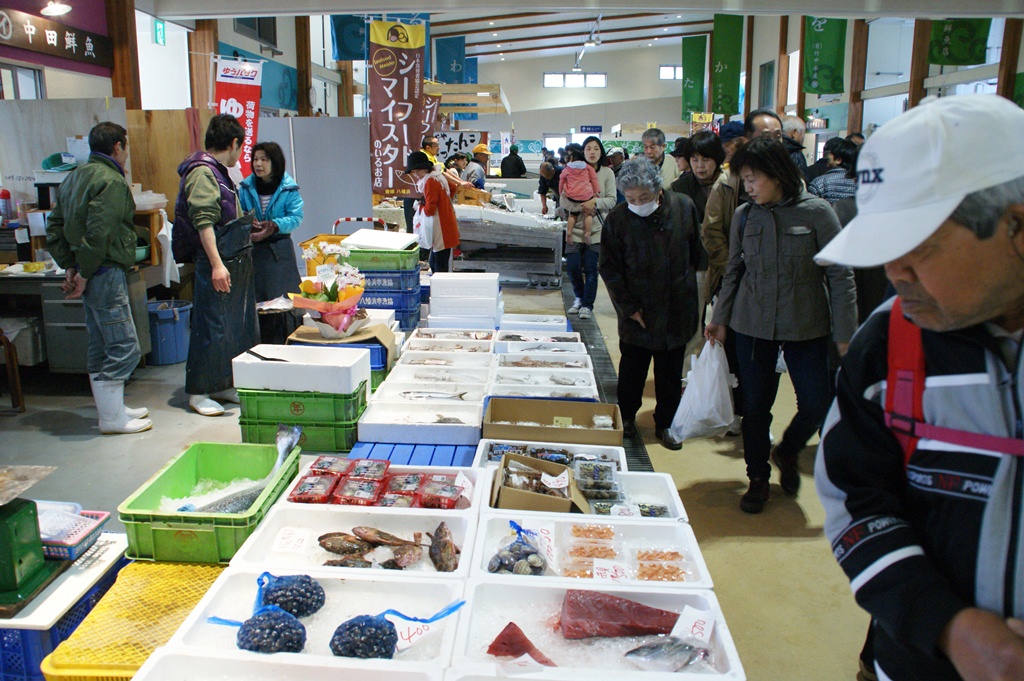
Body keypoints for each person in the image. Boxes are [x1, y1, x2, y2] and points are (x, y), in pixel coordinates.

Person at [815, 94, 1024, 681]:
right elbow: (857, 499)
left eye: (920, 249)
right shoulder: (889, 344)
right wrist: (948, 626)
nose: (894, 273)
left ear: (1017, 226)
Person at [704, 137, 856, 514]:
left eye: (754, 179)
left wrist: (846, 335)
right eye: (745, 181)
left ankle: (787, 451)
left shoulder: (818, 212)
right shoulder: (744, 216)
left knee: (817, 404)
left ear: (777, 175)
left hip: (806, 323)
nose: (749, 187)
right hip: (752, 324)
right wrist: (719, 319)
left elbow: (840, 275)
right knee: (755, 408)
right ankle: (757, 478)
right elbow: (734, 269)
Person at [45, 122, 151, 434]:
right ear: (117, 147)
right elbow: (100, 231)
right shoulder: (111, 181)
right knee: (124, 346)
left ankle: (113, 409)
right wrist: (85, 273)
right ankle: (112, 419)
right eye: (126, 148)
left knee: (101, 344)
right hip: (103, 271)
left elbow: (54, 228)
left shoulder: (73, 177)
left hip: (88, 269)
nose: (126, 155)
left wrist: (71, 267)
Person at [599, 158, 702, 450]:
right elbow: (609, 267)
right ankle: (628, 417)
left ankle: (666, 423)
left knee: (670, 373)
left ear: (658, 191)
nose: (637, 203)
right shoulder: (619, 219)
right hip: (637, 310)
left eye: (643, 198)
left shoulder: (683, 207)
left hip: (676, 307)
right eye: (630, 198)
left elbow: (696, 254)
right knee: (632, 370)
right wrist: (629, 307)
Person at [177, 114, 260, 417]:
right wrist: (216, 264)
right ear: (234, 143)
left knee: (228, 328)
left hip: (230, 259)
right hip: (215, 260)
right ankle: (199, 392)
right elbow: (203, 221)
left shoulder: (218, 172)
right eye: (241, 146)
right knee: (210, 326)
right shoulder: (202, 173)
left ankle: (221, 383)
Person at [238, 142, 304, 304]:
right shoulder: (245, 187)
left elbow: (296, 217)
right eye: (255, 159)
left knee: (283, 300)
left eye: (264, 159)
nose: (258, 164)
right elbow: (238, 212)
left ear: (275, 162)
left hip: (279, 250)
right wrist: (246, 219)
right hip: (253, 249)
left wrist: (274, 226)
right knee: (257, 301)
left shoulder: (288, 188)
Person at [564, 136, 616, 320]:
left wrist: (594, 201)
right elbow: (564, 200)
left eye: (596, 148)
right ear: (583, 152)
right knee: (573, 267)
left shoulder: (607, 174)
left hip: (597, 230)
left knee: (592, 269)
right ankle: (579, 297)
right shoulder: (572, 171)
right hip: (575, 228)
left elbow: (612, 200)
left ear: (601, 152)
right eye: (588, 149)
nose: (592, 152)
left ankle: (587, 304)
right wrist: (581, 206)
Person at [407, 151, 459, 274]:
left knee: (438, 265)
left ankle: (440, 290)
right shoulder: (437, 175)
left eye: (416, 171)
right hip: (447, 221)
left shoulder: (429, 181)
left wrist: (419, 207)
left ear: (423, 168)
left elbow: (430, 210)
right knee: (437, 260)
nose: (415, 175)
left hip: (439, 226)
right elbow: (453, 187)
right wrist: (444, 203)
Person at [559, 147, 600, 254]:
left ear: (571, 158)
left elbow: (561, 181)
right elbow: (594, 179)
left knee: (572, 215)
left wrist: (560, 192)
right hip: (586, 195)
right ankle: (587, 233)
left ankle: (569, 232)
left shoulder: (567, 169)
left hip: (572, 195)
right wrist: (596, 191)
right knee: (588, 214)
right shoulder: (588, 167)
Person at [808, 138, 858, 204]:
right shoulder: (860, 183)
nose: (828, 156)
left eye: (831, 153)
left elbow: (810, 209)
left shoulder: (820, 183)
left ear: (838, 160)